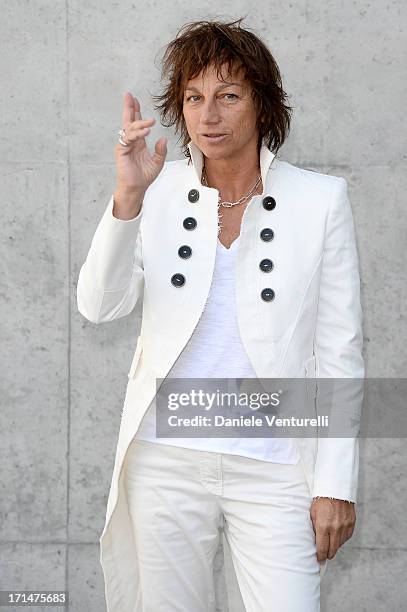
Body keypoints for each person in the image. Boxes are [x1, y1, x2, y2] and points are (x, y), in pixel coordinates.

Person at [77, 17, 364, 612]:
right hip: (166, 462)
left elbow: (339, 350)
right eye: (194, 97)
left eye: (228, 95)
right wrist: (126, 199)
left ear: (263, 103)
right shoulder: (155, 190)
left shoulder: (320, 200)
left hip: (277, 465)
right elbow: (98, 306)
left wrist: (335, 484)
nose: (208, 115)